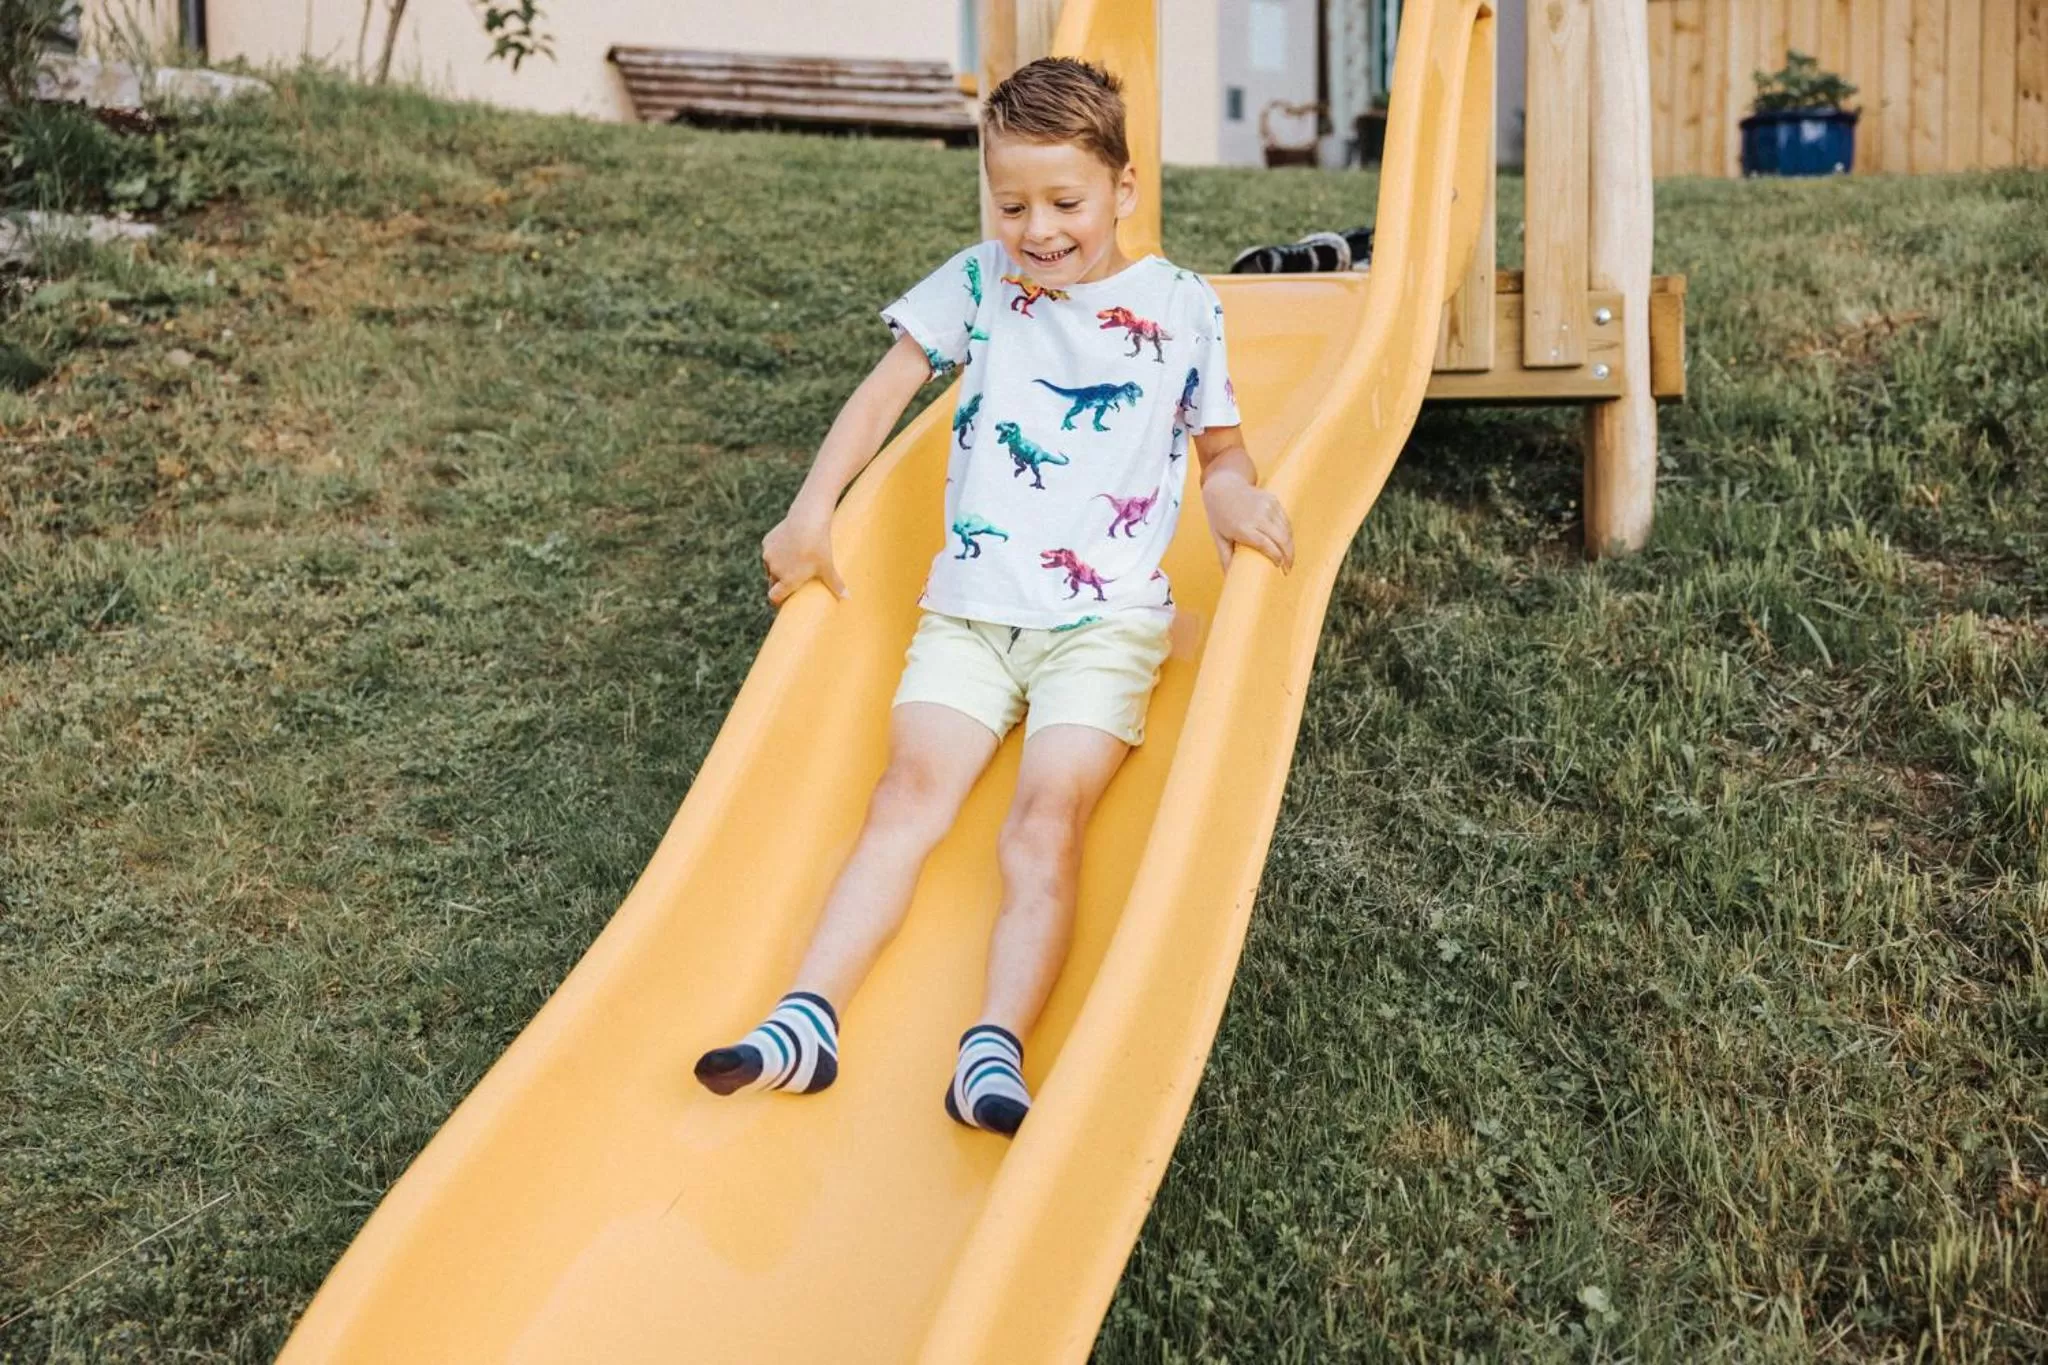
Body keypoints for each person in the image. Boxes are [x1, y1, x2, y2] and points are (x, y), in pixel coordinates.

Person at [694, 56, 1295, 1137]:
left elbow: (1219, 452)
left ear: (1122, 188)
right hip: (970, 611)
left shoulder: (1181, 307)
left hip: (1102, 626)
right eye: (1011, 203)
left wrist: (1237, 501)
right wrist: (809, 510)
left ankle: (994, 1044)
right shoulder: (979, 283)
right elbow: (883, 389)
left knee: (1042, 821)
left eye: (1064, 201)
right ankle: (805, 1016)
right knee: (902, 801)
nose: (1038, 228)